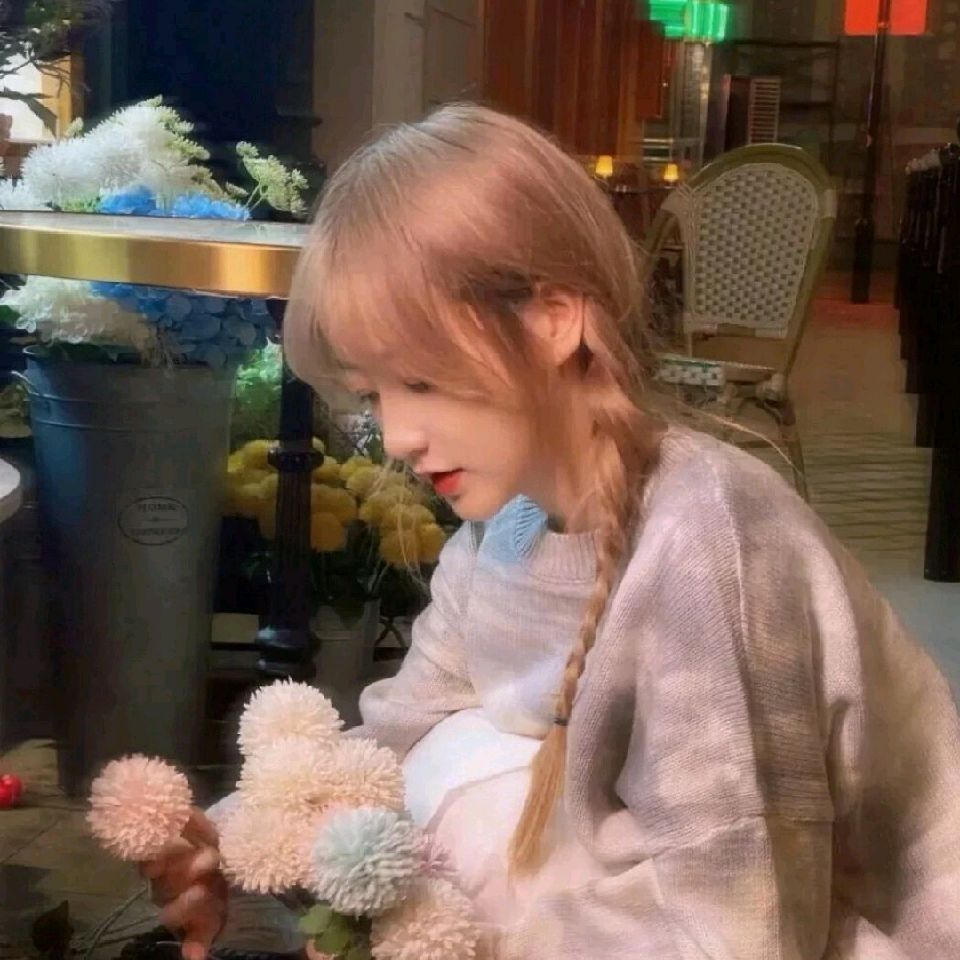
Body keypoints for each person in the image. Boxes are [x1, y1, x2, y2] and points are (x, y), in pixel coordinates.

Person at [144, 103, 960, 959]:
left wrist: (464, 939)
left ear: (553, 320)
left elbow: (744, 921)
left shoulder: (708, 546)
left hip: (823, 926)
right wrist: (237, 842)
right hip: (655, 903)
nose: (398, 438)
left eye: (420, 381)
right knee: (456, 757)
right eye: (374, 394)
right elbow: (402, 732)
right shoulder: (510, 524)